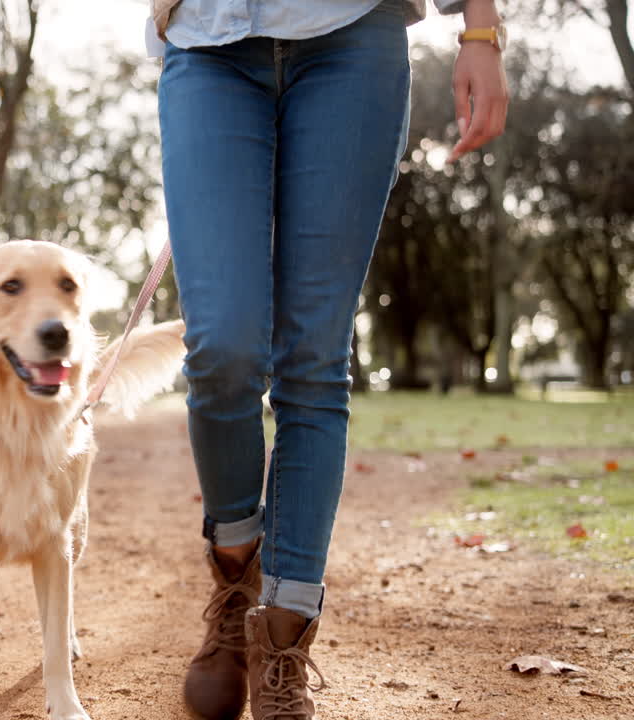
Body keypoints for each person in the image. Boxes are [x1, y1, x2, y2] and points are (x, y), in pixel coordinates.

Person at [148, 1, 508, 718]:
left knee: (314, 357)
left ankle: (283, 640)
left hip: (354, 39)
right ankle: (235, 578)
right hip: (208, 42)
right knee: (222, 348)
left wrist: (481, 30)